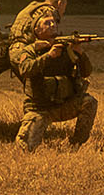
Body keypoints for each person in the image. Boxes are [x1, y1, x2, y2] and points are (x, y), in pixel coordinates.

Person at [10, 12, 97, 150]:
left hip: (64, 105)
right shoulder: (30, 50)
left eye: (54, 23)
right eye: (47, 23)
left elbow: (87, 72)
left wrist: (80, 53)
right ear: (37, 30)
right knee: (25, 148)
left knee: (89, 102)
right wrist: (48, 56)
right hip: (39, 108)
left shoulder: (67, 49)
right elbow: (25, 69)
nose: (53, 25)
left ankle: (76, 144)